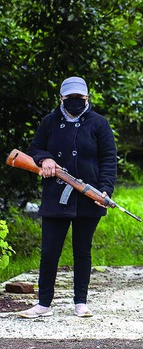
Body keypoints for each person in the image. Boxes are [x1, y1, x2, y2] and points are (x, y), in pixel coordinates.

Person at [18, 76, 117, 319]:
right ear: (61, 98)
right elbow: (34, 149)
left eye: (79, 98)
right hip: (55, 196)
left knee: (82, 251)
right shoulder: (49, 122)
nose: (75, 102)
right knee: (50, 251)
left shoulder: (99, 124)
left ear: (87, 98)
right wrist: (45, 158)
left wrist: (104, 190)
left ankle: (80, 302)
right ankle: (43, 304)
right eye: (70, 98)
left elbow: (108, 160)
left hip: (88, 196)